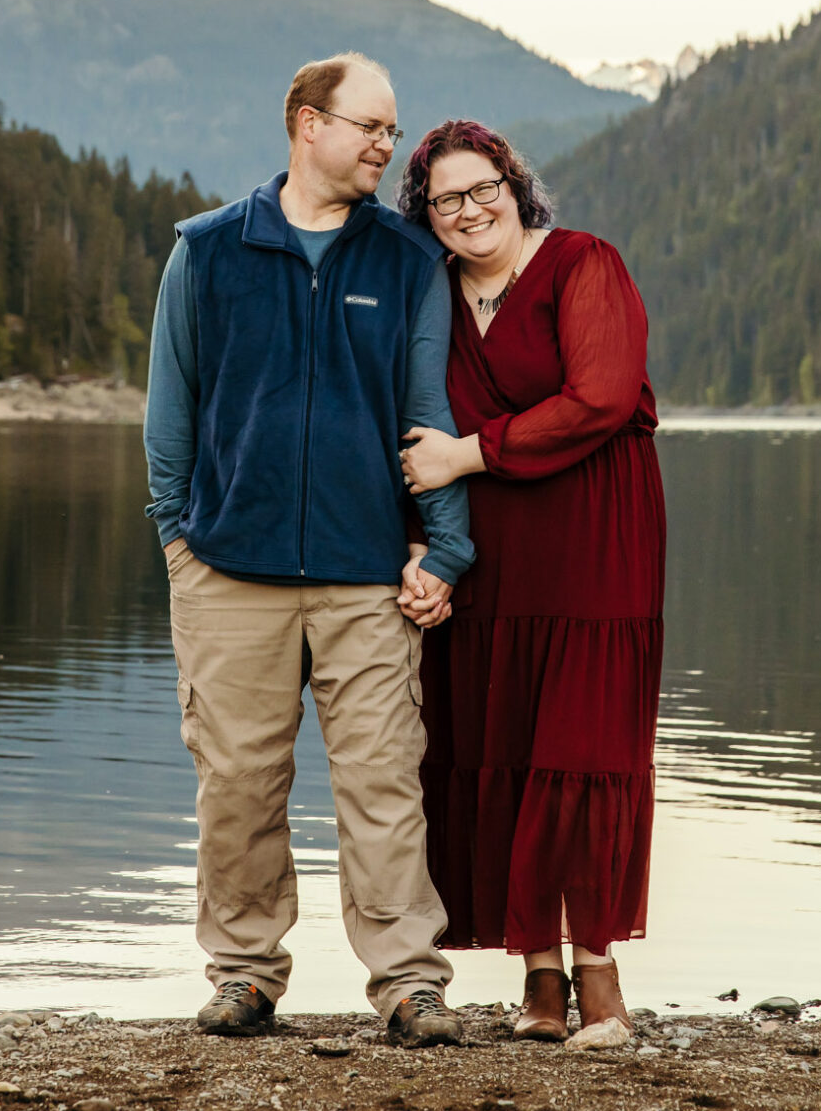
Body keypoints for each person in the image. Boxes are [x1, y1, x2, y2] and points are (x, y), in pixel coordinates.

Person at [143, 53, 476, 1049]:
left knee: (383, 780)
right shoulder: (207, 251)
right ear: (304, 123)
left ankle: (409, 986)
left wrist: (444, 554)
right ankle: (245, 974)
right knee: (238, 782)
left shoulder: (407, 260)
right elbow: (170, 419)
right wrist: (178, 545)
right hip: (226, 570)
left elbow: (428, 419)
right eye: (367, 126)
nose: (386, 145)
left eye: (391, 128)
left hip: (365, 571)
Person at [395, 119, 664, 1050]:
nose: (469, 211)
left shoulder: (585, 264)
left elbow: (600, 397)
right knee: (503, 741)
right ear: (425, 218)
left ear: (515, 185)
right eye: (445, 200)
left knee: (583, 752)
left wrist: (469, 452)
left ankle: (601, 978)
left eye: (483, 189)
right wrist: (427, 552)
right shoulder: (433, 294)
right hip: (494, 549)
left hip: (594, 536)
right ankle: (537, 978)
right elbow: (412, 435)